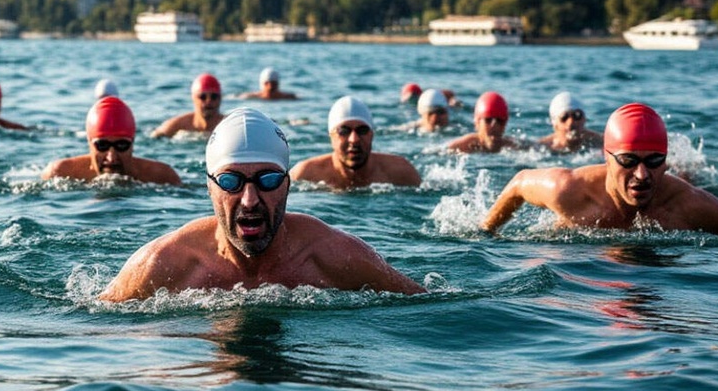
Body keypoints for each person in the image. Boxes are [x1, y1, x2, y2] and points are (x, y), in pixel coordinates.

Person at [99, 108, 426, 301]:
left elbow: (426, 307)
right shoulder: (161, 264)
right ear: (209, 187)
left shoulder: (338, 257)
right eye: (231, 181)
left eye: (267, 180)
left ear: (287, 184)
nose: (250, 200)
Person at [481, 103, 718, 241]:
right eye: (628, 161)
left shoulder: (691, 205)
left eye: (654, 161)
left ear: (666, 161)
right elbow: (518, 183)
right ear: (607, 158)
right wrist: (488, 234)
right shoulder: (569, 189)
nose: (642, 174)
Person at [41, 96, 181, 185]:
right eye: (102, 145)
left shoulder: (162, 177)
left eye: (121, 145)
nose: (111, 157)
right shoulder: (60, 174)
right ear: (89, 143)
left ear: (133, 143)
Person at [290, 96, 421, 188]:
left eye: (362, 130)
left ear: (372, 134)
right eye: (344, 131)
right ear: (331, 136)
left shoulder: (401, 173)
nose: (354, 139)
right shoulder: (304, 174)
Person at [447, 91, 524, 153]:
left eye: (499, 120)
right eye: (488, 120)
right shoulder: (460, 147)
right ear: (477, 123)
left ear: (505, 123)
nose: (494, 125)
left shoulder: (514, 147)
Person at [152, 73, 225, 138]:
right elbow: (155, 136)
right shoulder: (178, 125)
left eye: (214, 96)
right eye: (203, 97)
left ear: (220, 98)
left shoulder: (228, 126)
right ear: (193, 98)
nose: (208, 101)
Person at [538, 92, 603, 153]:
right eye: (564, 117)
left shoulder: (601, 142)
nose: (571, 122)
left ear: (584, 119)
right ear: (555, 123)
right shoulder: (541, 148)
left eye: (577, 115)